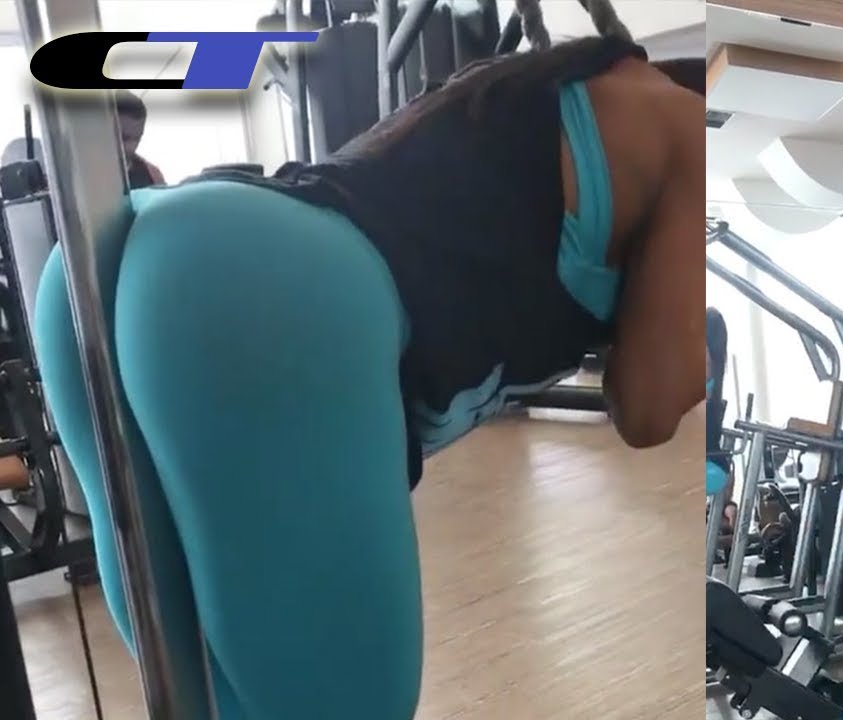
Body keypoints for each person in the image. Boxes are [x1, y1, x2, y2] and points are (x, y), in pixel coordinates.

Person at [33, 32, 705, 720]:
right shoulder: (682, 124)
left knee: (210, 704)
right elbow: (652, 407)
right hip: (267, 296)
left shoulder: (536, 85)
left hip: (109, 261)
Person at [115, 90, 166, 188]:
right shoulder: (85, 170)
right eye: (124, 138)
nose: (131, 147)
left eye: (137, 139)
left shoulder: (153, 176)